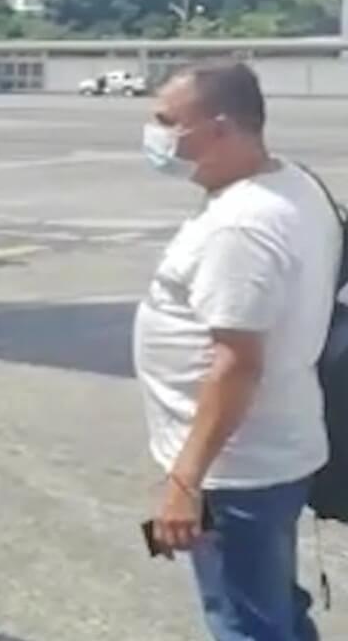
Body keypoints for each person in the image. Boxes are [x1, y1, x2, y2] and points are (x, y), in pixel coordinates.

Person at [134, 62, 335, 641]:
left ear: (220, 128)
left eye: (168, 121)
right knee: (272, 606)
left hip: (237, 469)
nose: (156, 133)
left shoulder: (240, 228)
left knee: (244, 622)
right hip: (274, 448)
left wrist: (184, 482)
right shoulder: (290, 182)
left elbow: (237, 363)